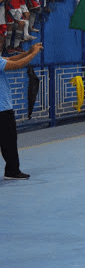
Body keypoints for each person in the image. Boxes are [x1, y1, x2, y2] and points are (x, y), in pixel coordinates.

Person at [1, 42, 43, 179]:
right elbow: (16, 65)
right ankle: (12, 171)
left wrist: (29, 52)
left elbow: (11, 59)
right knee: (9, 140)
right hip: (2, 109)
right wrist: (34, 53)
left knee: (8, 140)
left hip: (3, 107)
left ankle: (12, 170)